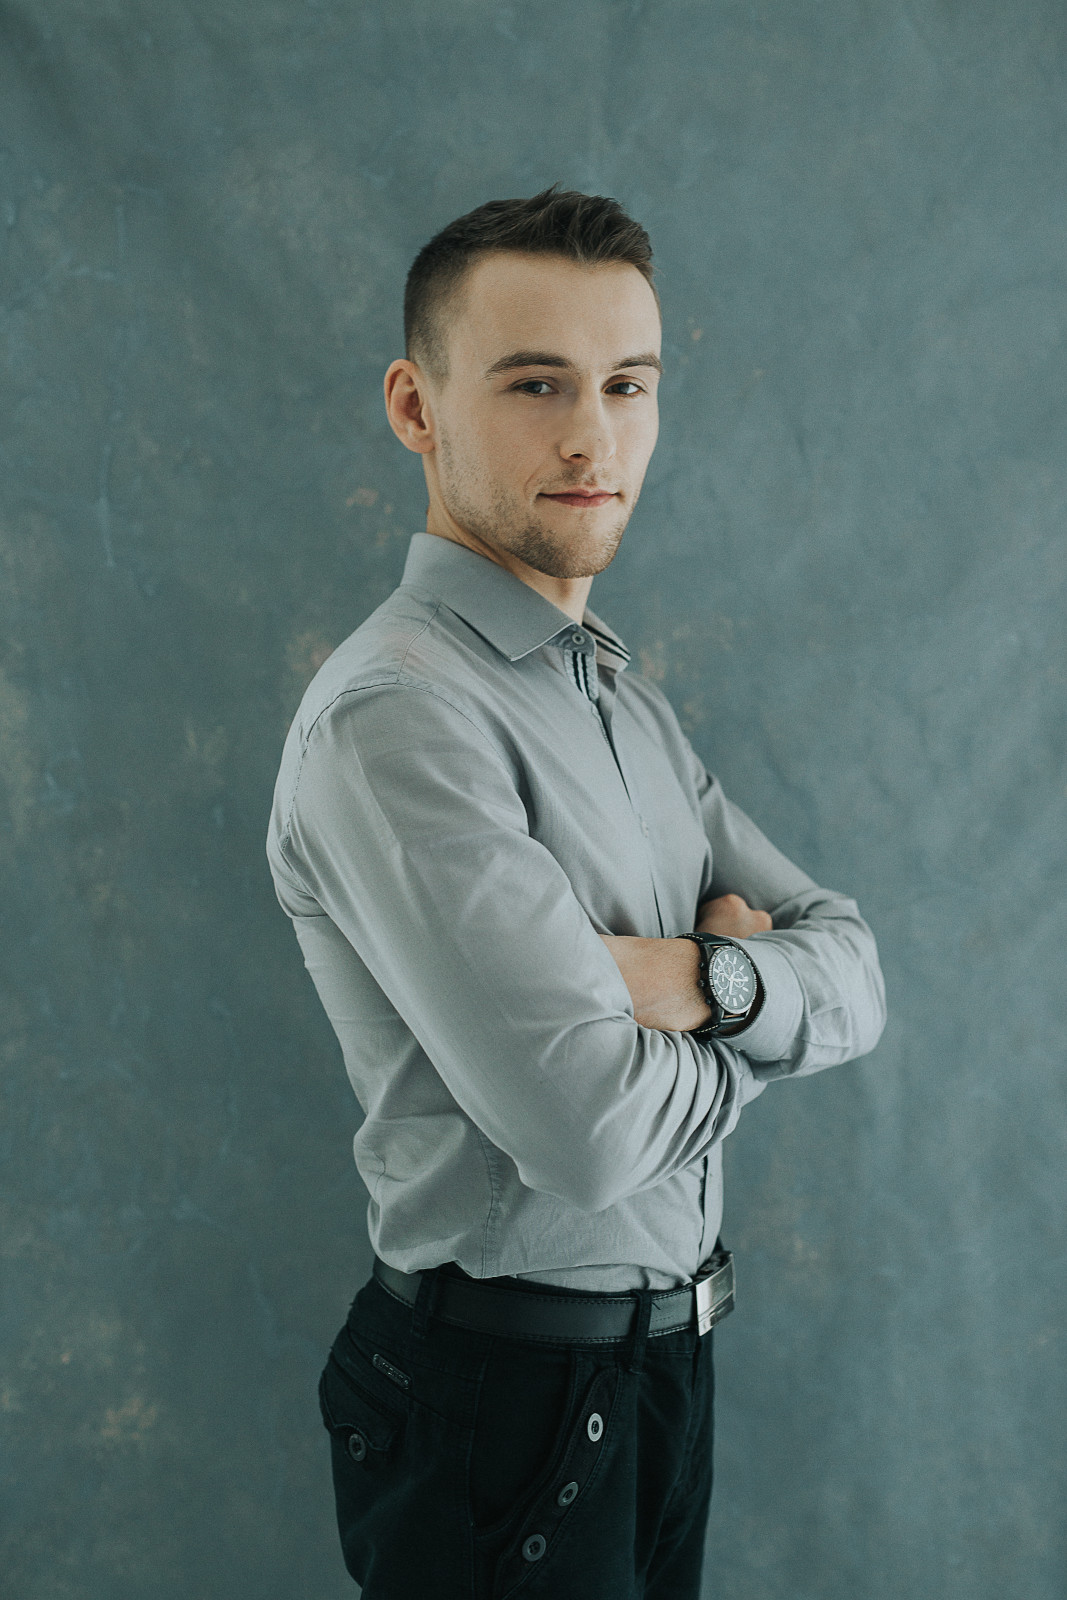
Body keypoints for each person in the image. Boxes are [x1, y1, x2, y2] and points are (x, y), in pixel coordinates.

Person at [265, 186, 886, 1600]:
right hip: (503, 1408)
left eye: (627, 384)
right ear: (416, 408)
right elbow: (592, 1135)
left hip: (663, 1376)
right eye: (536, 383)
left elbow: (855, 968)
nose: (592, 435)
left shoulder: (618, 696)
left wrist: (701, 981)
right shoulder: (399, 718)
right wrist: (763, 1021)